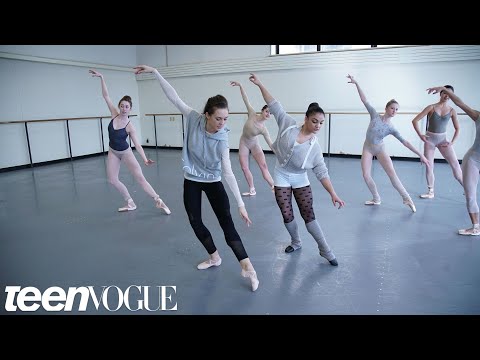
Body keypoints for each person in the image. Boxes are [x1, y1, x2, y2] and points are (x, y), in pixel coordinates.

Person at [133, 65, 259, 291]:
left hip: (213, 181)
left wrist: (241, 204)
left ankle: (247, 267)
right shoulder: (193, 118)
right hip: (191, 178)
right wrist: (154, 72)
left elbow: (228, 171)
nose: (222, 123)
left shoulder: (222, 139)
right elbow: (173, 96)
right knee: (195, 220)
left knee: (227, 223)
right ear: (207, 115)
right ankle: (214, 257)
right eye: (218, 118)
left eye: (226, 119)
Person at [249, 72, 344, 266]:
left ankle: (325, 249)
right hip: (281, 174)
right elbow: (274, 104)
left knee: (308, 213)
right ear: (306, 118)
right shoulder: (288, 124)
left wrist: (333, 193)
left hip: (300, 178)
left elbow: (321, 172)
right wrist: (259, 84)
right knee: (286, 212)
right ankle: (296, 242)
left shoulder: (315, 148)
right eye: (315, 121)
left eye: (321, 123)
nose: (318, 126)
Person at [89, 69, 171, 214]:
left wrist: (145, 159)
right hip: (113, 151)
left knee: (140, 179)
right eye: (122, 106)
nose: (123, 108)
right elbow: (106, 96)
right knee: (112, 179)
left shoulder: (130, 126)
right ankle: (130, 202)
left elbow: (137, 144)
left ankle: (158, 200)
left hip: (126, 153)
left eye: (126, 106)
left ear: (130, 109)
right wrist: (102, 77)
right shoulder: (114, 114)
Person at [347, 74, 429, 212]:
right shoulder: (374, 115)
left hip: (380, 149)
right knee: (366, 175)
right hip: (367, 147)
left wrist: (421, 154)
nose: (394, 111)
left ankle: (406, 198)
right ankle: (376, 198)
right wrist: (356, 83)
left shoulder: (391, 128)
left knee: (392, 174)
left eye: (397, 109)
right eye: (392, 108)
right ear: (386, 108)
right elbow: (364, 99)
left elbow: (405, 142)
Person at [427, 86, 480, 235]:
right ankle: (476, 227)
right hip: (474, 159)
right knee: (470, 194)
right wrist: (445, 89)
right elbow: (460, 103)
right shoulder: (477, 116)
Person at [411, 85, 463, 199]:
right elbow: (415, 120)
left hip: (443, 140)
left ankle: (467, 188)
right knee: (429, 166)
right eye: (444, 92)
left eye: (449, 94)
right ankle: (431, 191)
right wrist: (420, 135)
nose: (446, 95)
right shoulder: (431, 107)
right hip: (430, 140)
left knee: (455, 165)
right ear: (440, 93)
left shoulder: (452, 111)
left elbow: (457, 128)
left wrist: (452, 142)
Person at [230, 81, 275, 196]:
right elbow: (245, 98)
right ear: (262, 110)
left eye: (270, 113)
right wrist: (240, 85)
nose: (268, 114)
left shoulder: (263, 129)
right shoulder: (252, 113)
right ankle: (252, 189)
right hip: (244, 143)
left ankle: (274, 187)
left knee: (263, 166)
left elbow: (270, 143)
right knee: (244, 168)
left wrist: (278, 153)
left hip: (254, 145)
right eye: (267, 111)